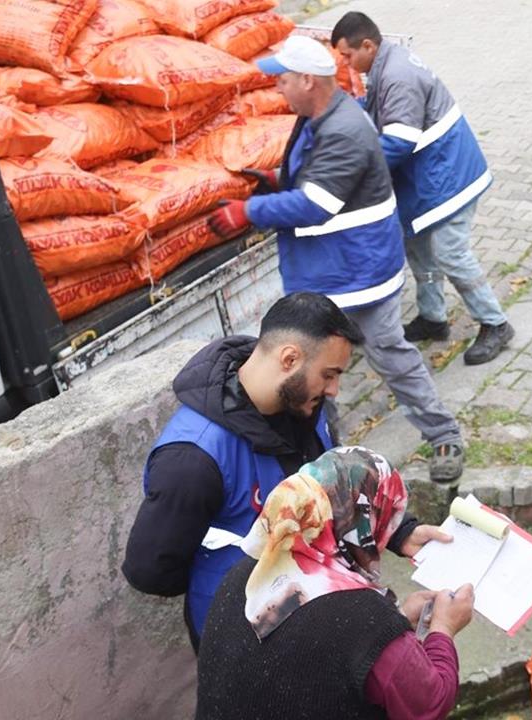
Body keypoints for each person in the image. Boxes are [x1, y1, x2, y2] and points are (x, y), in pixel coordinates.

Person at [122, 292, 451, 649]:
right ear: (289, 358)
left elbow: (334, 482)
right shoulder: (193, 460)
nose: (335, 390)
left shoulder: (303, 404)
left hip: (314, 614)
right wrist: (230, 576)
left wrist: (399, 532)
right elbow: (151, 570)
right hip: (246, 644)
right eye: (329, 375)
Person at [208, 35, 466, 483]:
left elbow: (317, 203)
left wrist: (246, 211)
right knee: (315, 373)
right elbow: (318, 172)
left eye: (283, 80)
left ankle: (442, 435)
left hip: (359, 273)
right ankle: (330, 460)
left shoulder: (343, 127)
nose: (278, 88)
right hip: (332, 270)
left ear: (308, 80)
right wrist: (276, 176)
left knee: (389, 355)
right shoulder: (317, 115)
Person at [196, 446, 473, 720]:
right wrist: (443, 628)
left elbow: (312, 650)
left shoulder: (247, 572)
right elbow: (429, 703)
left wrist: (396, 621)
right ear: (366, 522)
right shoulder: (365, 618)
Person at [331, 12, 516, 366]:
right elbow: (374, 112)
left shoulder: (397, 76)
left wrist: (355, 173)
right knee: (416, 245)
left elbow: (398, 142)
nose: (344, 63)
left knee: (451, 253)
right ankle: (433, 317)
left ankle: (495, 323)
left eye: (347, 55)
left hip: (450, 178)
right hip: (432, 176)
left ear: (367, 45)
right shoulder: (384, 65)